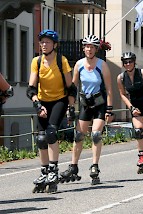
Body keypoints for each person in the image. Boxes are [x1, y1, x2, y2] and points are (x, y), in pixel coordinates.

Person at [27, 29, 77, 193]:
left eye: (47, 42)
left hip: (59, 100)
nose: (44, 45)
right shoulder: (37, 61)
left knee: (50, 133)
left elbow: (71, 89)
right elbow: (31, 89)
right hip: (42, 102)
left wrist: (71, 108)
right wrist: (37, 105)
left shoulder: (62, 61)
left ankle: (53, 170)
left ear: (54, 45)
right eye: (42, 42)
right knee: (41, 139)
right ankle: (44, 171)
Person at [60, 35, 113, 185]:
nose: (89, 49)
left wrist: (109, 110)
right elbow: (73, 87)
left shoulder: (102, 65)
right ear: (84, 48)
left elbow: (109, 89)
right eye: (87, 46)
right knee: (79, 136)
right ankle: (73, 166)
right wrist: (70, 107)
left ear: (96, 49)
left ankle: (95, 166)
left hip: (100, 104)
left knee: (96, 135)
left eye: (92, 47)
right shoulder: (79, 64)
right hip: (85, 104)